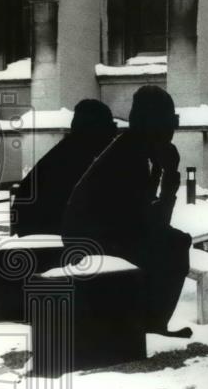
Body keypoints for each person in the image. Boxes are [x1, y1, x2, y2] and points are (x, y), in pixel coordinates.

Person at [62, 85, 192, 339]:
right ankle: (152, 324)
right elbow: (150, 223)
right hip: (91, 242)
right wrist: (169, 181)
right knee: (175, 245)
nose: (173, 128)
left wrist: (163, 176)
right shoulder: (130, 156)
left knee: (172, 242)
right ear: (152, 123)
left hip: (104, 236)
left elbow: (146, 219)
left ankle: (151, 322)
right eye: (169, 120)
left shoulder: (135, 150)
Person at [11, 99, 117, 236]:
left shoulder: (64, 152)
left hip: (36, 234)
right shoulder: (83, 158)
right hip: (52, 240)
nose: (112, 139)